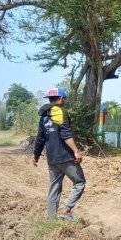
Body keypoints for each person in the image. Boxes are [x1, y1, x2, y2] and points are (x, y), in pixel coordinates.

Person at [32, 88, 86, 221]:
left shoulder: (44, 116)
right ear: (61, 99)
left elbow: (40, 138)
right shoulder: (60, 112)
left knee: (54, 187)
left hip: (52, 159)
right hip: (65, 157)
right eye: (65, 99)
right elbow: (66, 134)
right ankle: (66, 210)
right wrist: (76, 151)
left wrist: (36, 156)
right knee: (80, 182)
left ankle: (51, 219)